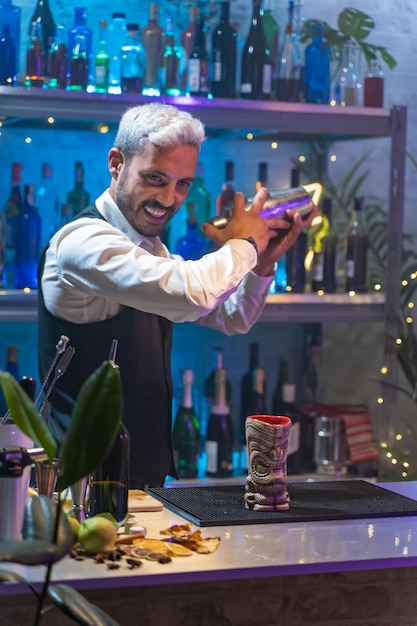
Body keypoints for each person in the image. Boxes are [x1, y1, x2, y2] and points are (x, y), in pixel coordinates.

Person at [37, 102, 317, 489]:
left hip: (143, 484)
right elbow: (195, 294)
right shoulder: (83, 242)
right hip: (81, 492)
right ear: (116, 163)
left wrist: (262, 264)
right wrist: (247, 242)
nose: (169, 199)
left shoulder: (148, 248)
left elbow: (231, 317)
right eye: (155, 178)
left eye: (182, 184)